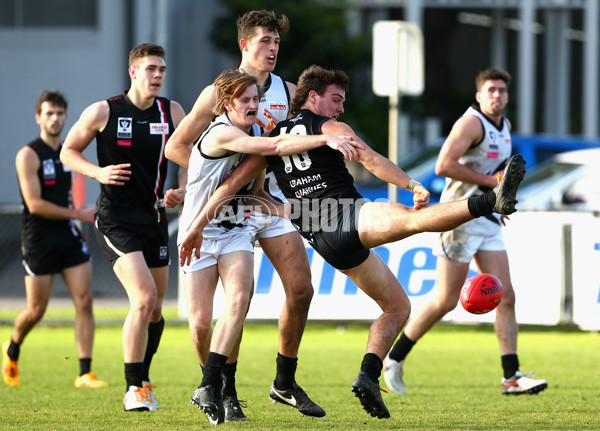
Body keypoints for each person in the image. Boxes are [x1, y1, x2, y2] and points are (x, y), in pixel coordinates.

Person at [178, 64, 527, 419]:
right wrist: (411, 184)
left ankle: (369, 376)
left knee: (397, 306)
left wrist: (200, 222)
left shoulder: (271, 141)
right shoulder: (329, 128)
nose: (340, 108)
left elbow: (233, 185)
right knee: (413, 219)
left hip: (322, 237)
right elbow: (371, 159)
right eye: (336, 99)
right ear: (313, 97)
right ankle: (490, 200)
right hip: (344, 213)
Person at [170, 68, 357, 425]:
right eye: (246, 100)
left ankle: (211, 385)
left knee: (239, 299)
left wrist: (294, 210)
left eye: (256, 99)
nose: (254, 105)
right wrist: (324, 139)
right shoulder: (222, 132)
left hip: (234, 230)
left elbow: (255, 195)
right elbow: (273, 147)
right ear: (226, 104)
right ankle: (218, 389)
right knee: (199, 326)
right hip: (199, 232)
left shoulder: (256, 130)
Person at [165, 10, 325, 421]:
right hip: (225, 206)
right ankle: (226, 390)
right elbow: (177, 147)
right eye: (265, 42)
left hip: (266, 205)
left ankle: (284, 382)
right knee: (208, 318)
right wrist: (211, 182)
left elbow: (297, 138)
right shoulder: (218, 92)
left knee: (301, 289)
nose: (273, 49)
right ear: (244, 45)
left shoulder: (288, 91)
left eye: (276, 42)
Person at [383, 67, 548, 396]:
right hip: (456, 217)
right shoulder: (472, 123)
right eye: (491, 90)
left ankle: (511, 377)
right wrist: (493, 187)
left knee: (506, 296)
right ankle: (393, 359)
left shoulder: (505, 126)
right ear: (479, 95)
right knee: (446, 301)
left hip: (486, 217)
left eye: (502, 90)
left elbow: (497, 171)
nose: (497, 95)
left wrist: (498, 203)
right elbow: (443, 165)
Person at [60, 43, 186, 411]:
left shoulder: (172, 111)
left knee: (157, 308)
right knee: (144, 298)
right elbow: (69, 151)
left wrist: (182, 187)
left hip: (155, 216)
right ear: (133, 72)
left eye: (162, 69)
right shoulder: (105, 110)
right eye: (150, 69)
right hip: (116, 218)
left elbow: (191, 153)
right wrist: (98, 172)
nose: (158, 75)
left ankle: (143, 377)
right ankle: (134, 389)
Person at [2, 90, 107, 389]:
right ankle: (12, 348)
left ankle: (85, 372)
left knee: (84, 300)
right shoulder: (28, 154)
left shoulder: (67, 152)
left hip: (68, 235)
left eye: (60, 113)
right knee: (37, 310)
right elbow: (34, 204)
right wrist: (79, 213)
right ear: (39, 117)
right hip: (38, 239)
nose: (55, 118)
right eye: (49, 113)